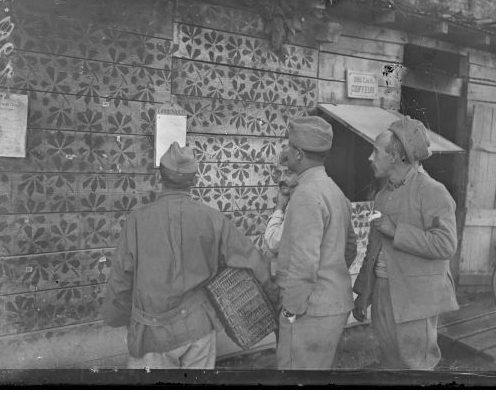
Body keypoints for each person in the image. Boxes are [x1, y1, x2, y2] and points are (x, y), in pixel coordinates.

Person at [101, 141, 273, 369]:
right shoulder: (213, 219)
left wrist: (120, 318)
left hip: (152, 335)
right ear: (194, 180)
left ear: (160, 177)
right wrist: (277, 300)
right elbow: (253, 261)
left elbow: (121, 278)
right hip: (198, 328)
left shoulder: (136, 221)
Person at [353, 116, 459, 369]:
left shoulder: (432, 191)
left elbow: (446, 244)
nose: (370, 157)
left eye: (375, 152)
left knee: (416, 366)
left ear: (396, 157)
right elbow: (373, 249)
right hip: (382, 292)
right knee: (390, 361)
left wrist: (396, 230)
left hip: (416, 300)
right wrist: (363, 292)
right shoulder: (382, 195)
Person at [275, 116, 358, 369]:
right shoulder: (334, 190)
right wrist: (331, 272)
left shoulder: (306, 194)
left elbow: (303, 263)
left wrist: (291, 309)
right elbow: (351, 247)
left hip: (310, 310)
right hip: (332, 304)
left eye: (289, 146)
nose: (285, 150)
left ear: (299, 154)